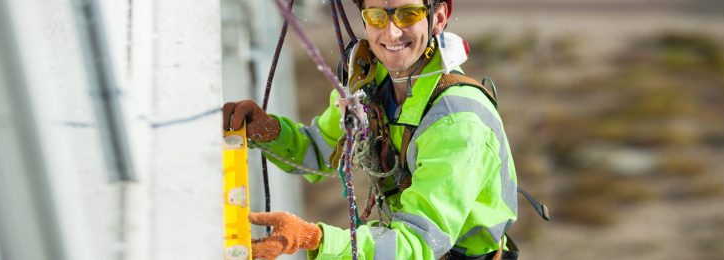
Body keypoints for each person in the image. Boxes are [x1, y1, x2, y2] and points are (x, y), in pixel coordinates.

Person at [223, 0, 522, 259]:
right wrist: (268, 131)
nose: (390, 33)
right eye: (377, 16)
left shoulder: (457, 122)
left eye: (408, 14)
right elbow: (319, 151)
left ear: (438, 18)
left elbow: (417, 245)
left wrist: (314, 239)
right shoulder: (373, 81)